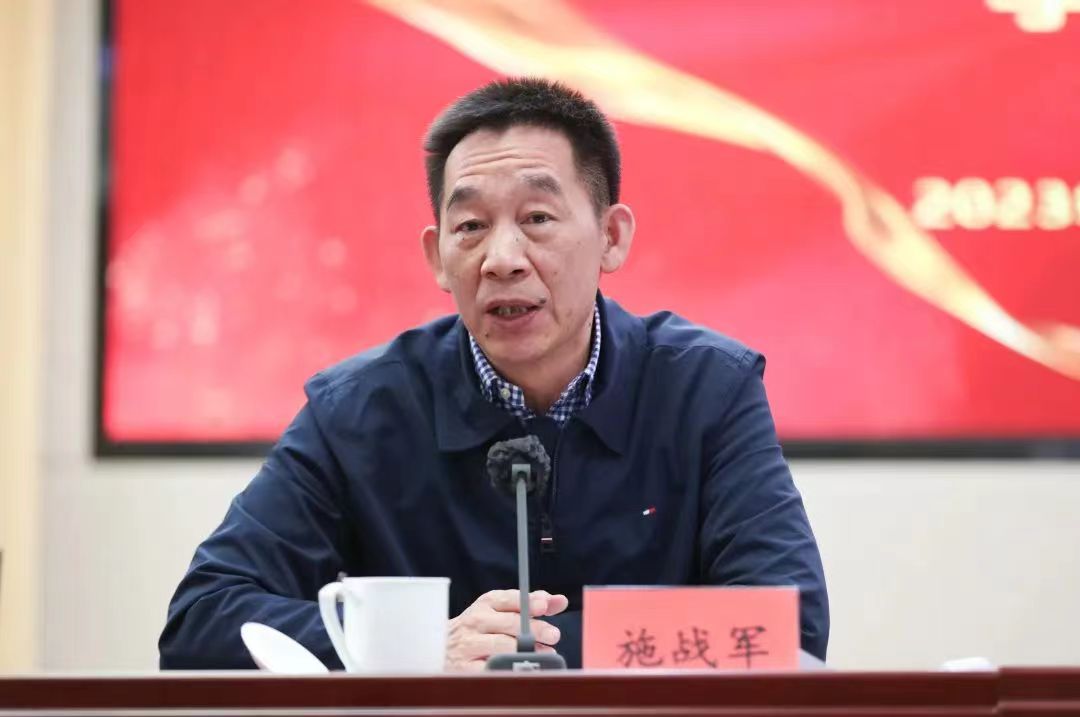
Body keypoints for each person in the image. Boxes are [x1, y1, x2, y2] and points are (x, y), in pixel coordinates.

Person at [159, 77, 828, 670]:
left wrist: (534, 649)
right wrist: (420, 648)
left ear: (612, 236)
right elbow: (202, 620)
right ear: (437, 256)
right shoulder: (356, 412)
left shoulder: (707, 389)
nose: (502, 258)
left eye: (537, 218)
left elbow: (787, 625)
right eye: (472, 226)